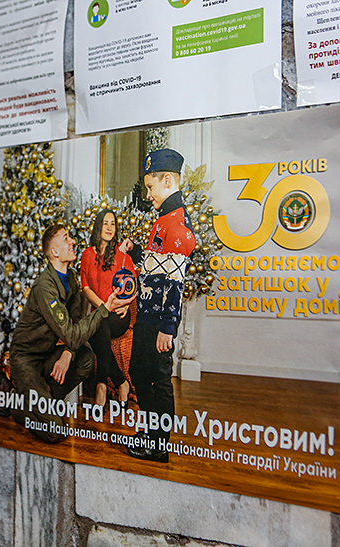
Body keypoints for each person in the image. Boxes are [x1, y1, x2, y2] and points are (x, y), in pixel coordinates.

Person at [10, 223, 134, 443]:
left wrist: (68, 353)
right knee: (54, 432)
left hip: (47, 355)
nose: (73, 241)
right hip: (26, 360)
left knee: (86, 359)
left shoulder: (71, 279)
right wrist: (106, 307)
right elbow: (72, 334)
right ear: (55, 252)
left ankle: (45, 400)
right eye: (66, 238)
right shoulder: (44, 288)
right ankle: (18, 406)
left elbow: (76, 322)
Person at [120, 149, 196, 462]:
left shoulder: (176, 225)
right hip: (147, 317)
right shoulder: (164, 219)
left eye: (150, 187)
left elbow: (175, 284)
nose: (148, 194)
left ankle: (158, 445)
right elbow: (157, 270)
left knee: (157, 379)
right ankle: (151, 432)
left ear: (167, 180)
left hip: (157, 322)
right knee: (140, 372)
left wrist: (167, 327)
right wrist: (136, 251)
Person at [80, 209, 134, 406]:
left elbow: (132, 284)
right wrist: (103, 307)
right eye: (106, 223)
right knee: (99, 324)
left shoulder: (121, 253)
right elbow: (85, 287)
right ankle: (121, 383)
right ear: (98, 227)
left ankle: (101, 385)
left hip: (119, 315)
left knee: (97, 324)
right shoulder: (87, 254)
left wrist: (126, 304)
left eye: (113, 224)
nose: (110, 228)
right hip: (101, 314)